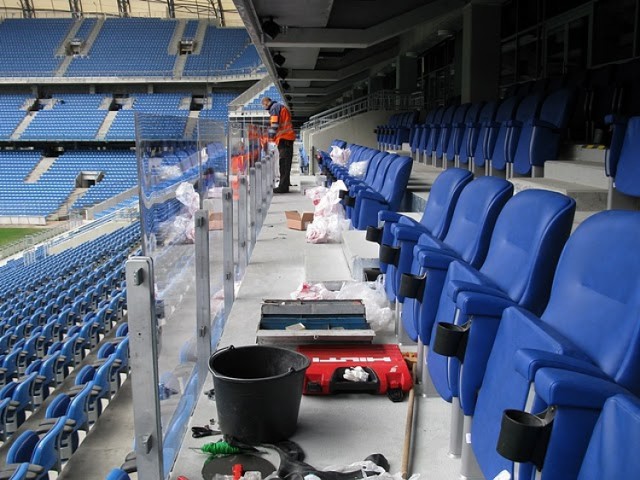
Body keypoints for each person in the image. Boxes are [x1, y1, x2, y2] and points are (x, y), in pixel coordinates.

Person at [262, 96, 296, 193]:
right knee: (286, 163)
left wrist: (270, 137)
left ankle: (283, 187)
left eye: (264, 105)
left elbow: (274, 124)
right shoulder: (279, 107)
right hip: (287, 138)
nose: (264, 107)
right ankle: (285, 184)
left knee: (284, 163)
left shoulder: (274, 108)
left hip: (284, 138)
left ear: (266, 102)